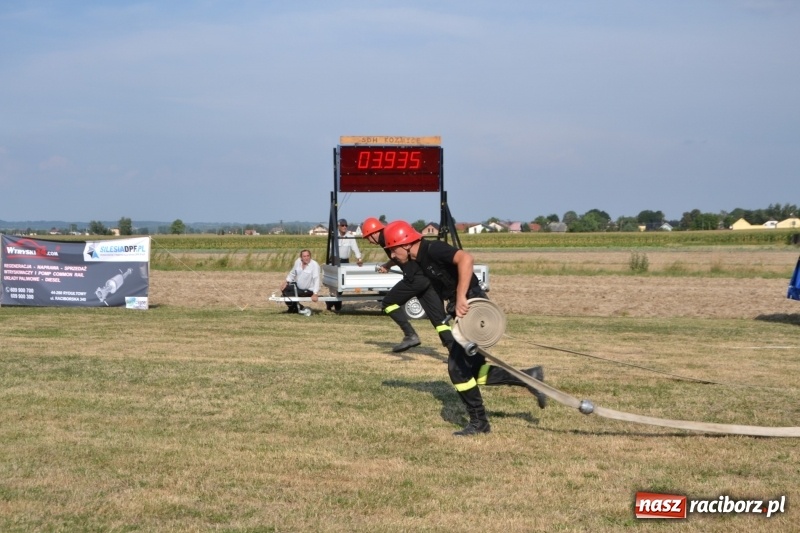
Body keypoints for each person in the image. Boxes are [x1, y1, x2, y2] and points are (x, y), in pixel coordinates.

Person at [382, 219, 547, 436]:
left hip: (472, 307)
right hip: (462, 310)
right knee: (476, 370)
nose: (392, 256)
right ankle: (529, 377)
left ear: (404, 244)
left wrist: (460, 297)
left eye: (392, 250)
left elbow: (466, 259)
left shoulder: (433, 248)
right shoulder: (418, 259)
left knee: (457, 369)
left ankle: (480, 422)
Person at [362, 217, 451, 352]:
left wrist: (391, 264)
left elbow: (398, 254)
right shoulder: (390, 234)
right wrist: (387, 265)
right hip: (427, 277)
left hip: (415, 278)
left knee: (388, 303)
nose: (368, 241)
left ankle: (410, 335)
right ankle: (456, 354)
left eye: (367, 237)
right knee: (439, 320)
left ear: (373, 233)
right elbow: (398, 255)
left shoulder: (385, 238)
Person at [327, 218, 362, 311]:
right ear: (338, 226)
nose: (344, 227)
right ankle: (330, 303)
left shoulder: (350, 237)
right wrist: (331, 261)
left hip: (345, 262)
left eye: (346, 225)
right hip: (335, 261)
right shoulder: (334, 236)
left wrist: (359, 258)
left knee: (342, 284)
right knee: (334, 284)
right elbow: (331, 249)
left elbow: (355, 248)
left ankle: (337, 304)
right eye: (342, 225)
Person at [280, 249, 320, 314]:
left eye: (308, 256)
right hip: (298, 286)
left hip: (308, 290)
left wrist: (315, 293)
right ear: (301, 257)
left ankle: (297, 308)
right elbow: (293, 273)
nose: (306, 258)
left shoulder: (314, 265)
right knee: (284, 289)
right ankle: (293, 308)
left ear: (310, 256)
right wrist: (286, 282)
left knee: (287, 295)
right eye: (304, 256)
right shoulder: (298, 262)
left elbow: (317, 279)